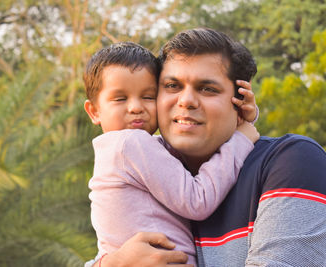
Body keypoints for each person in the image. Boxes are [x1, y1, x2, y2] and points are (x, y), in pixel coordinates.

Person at [88, 28, 326, 266]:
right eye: (172, 85)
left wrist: (244, 130)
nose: (186, 101)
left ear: (240, 102)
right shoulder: (145, 166)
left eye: (207, 89)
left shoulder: (291, 160)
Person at [83, 41, 259, 266]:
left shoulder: (125, 149)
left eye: (148, 96)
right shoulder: (131, 143)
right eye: (120, 98)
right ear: (94, 111)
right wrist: (243, 137)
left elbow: (202, 140)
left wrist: (242, 118)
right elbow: (198, 201)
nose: (136, 107)